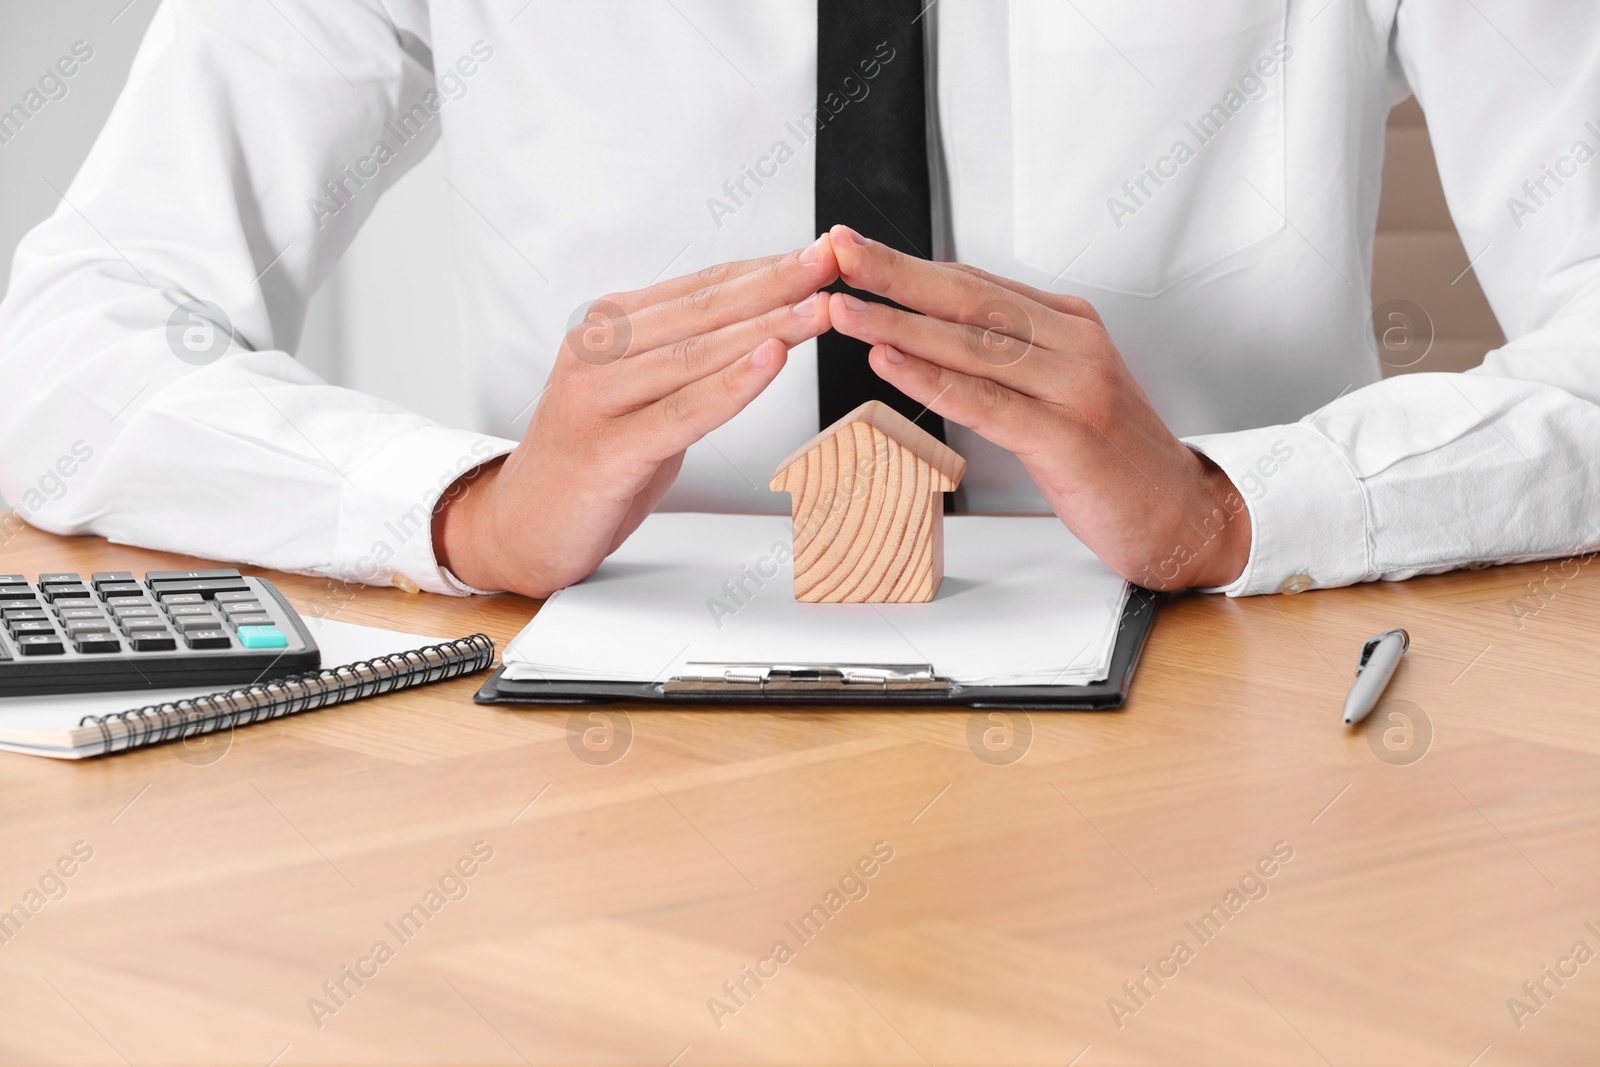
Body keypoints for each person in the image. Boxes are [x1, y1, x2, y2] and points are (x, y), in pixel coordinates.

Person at [2, 2, 1596, 600]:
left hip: (1231, 696)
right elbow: (66, 347)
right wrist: (467, 512)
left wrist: (1234, 512)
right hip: (570, 749)